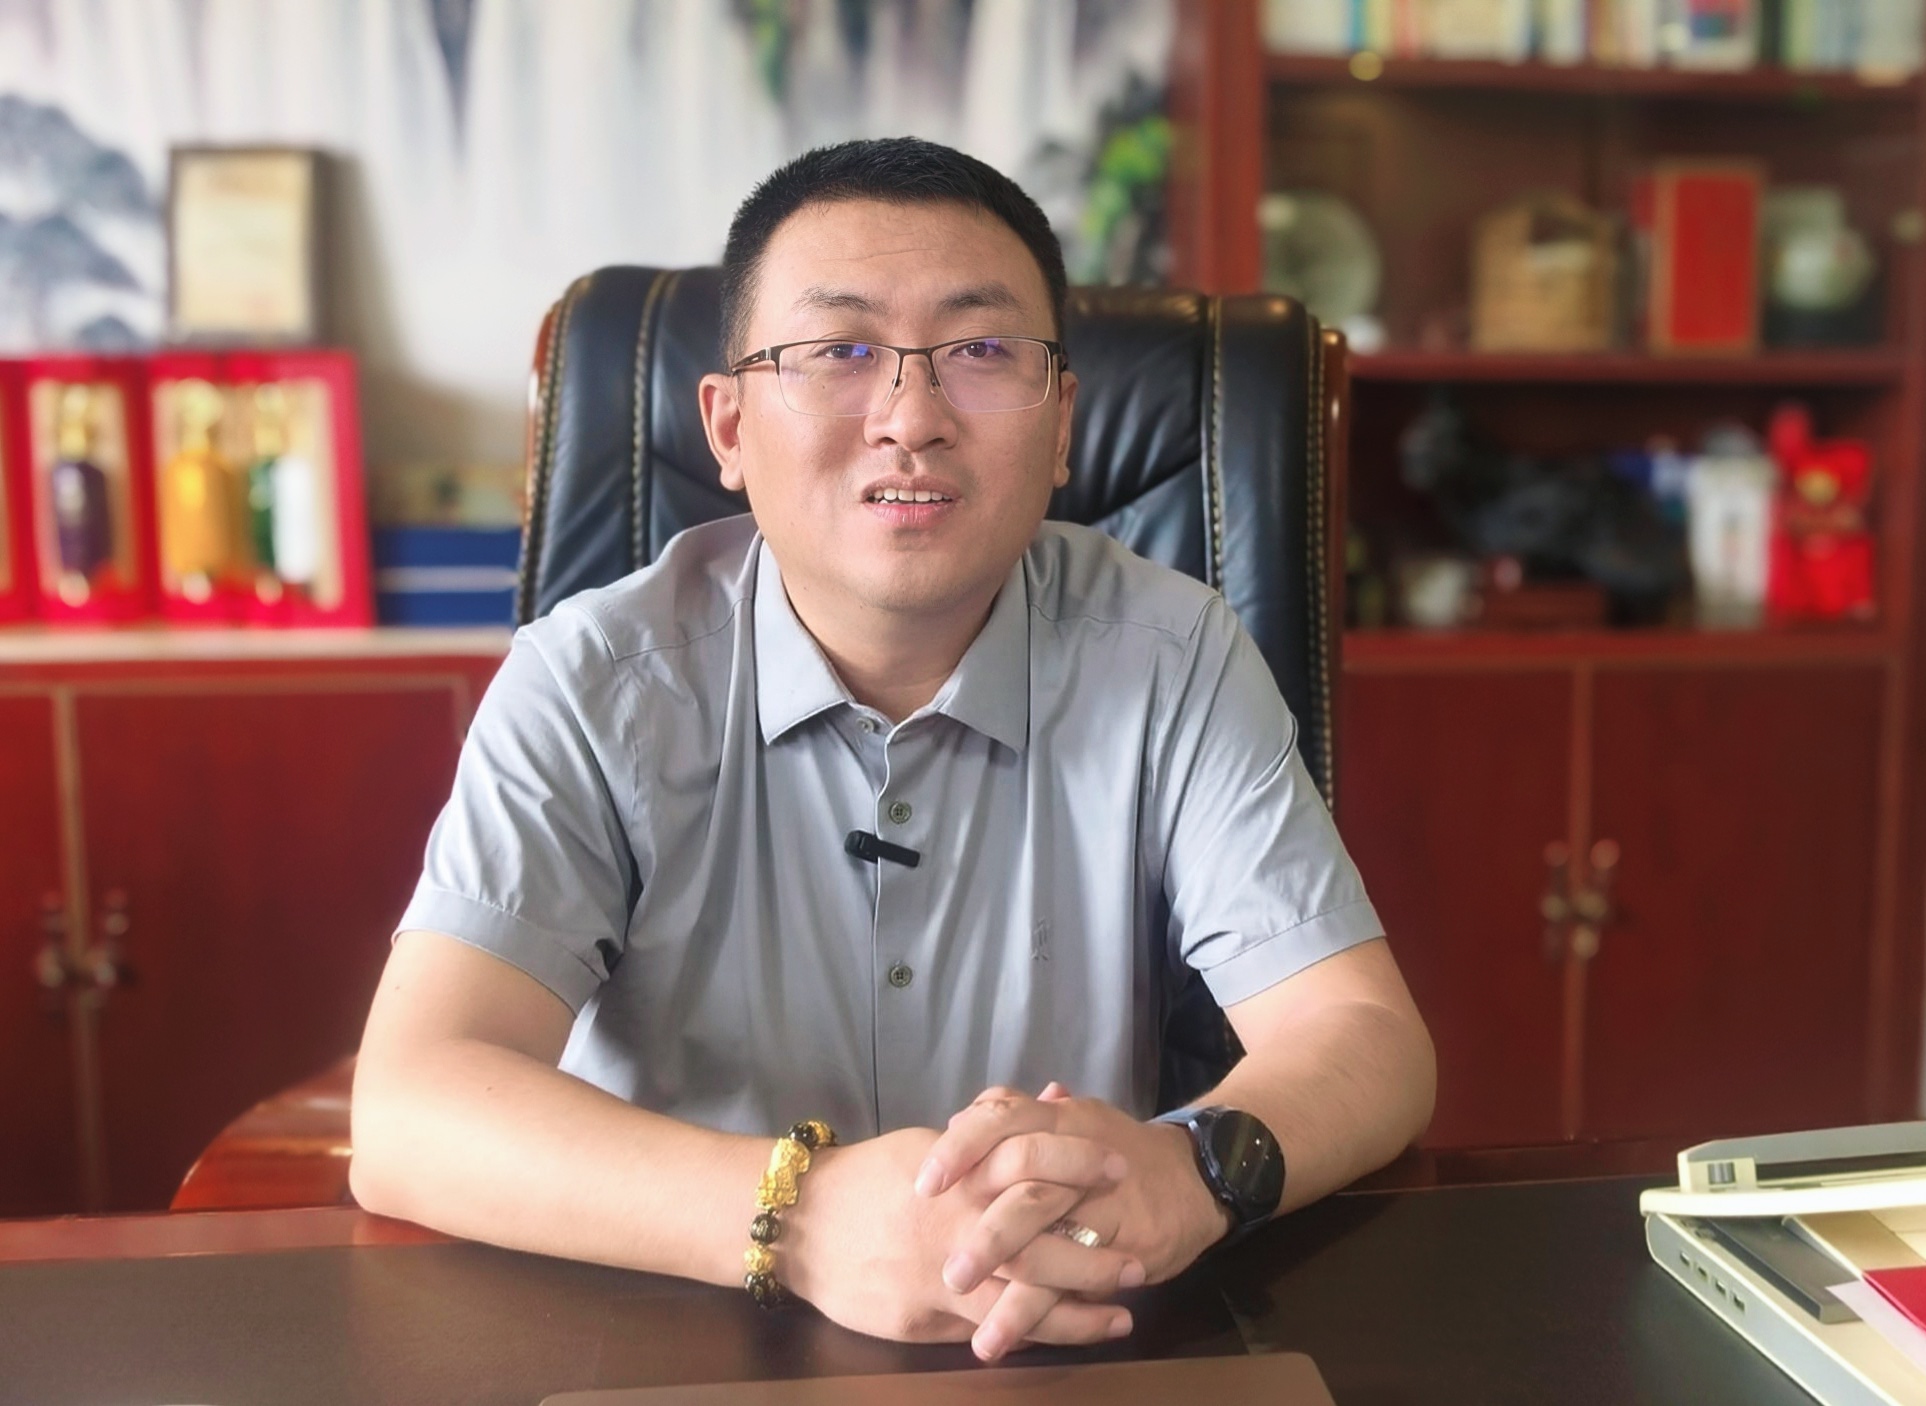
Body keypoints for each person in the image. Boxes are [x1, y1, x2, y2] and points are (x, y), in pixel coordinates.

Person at [348, 136, 1435, 1363]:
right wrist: (804, 1220)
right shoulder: (593, 680)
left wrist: (1191, 1169)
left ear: (1063, 424)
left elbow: (1366, 1036)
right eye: (838, 351)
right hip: (678, 1338)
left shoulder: (1170, 653)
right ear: (728, 425)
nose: (911, 418)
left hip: (1063, 1338)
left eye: (982, 351)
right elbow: (410, 1106)